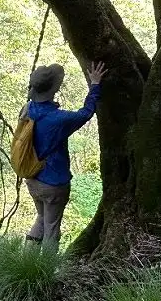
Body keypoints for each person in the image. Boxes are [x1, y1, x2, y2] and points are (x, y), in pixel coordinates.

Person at [23, 60, 106, 249]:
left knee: (42, 218)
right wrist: (95, 85)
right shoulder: (58, 119)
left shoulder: (27, 109)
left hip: (32, 178)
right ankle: (46, 273)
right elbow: (85, 113)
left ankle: (27, 262)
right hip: (53, 183)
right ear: (54, 89)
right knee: (52, 228)